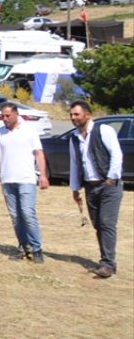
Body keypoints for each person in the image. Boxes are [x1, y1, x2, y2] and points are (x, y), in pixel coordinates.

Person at [67, 101, 124, 278]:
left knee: (107, 223)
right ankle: (106, 261)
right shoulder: (74, 138)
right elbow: (75, 164)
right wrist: (75, 188)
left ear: (88, 114)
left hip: (108, 186)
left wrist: (111, 178)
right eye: (71, 115)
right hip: (90, 187)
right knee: (98, 225)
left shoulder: (103, 130)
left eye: (76, 114)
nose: (73, 118)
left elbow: (116, 154)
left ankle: (107, 264)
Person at [0, 102, 48, 264]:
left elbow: (39, 153)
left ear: (16, 114)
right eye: (2, 116)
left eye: (7, 116)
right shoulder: (0, 133)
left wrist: (43, 175)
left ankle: (37, 249)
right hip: (7, 180)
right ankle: (24, 246)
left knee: (28, 214)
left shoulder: (29, 129)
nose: (5, 119)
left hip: (26, 179)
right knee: (16, 216)